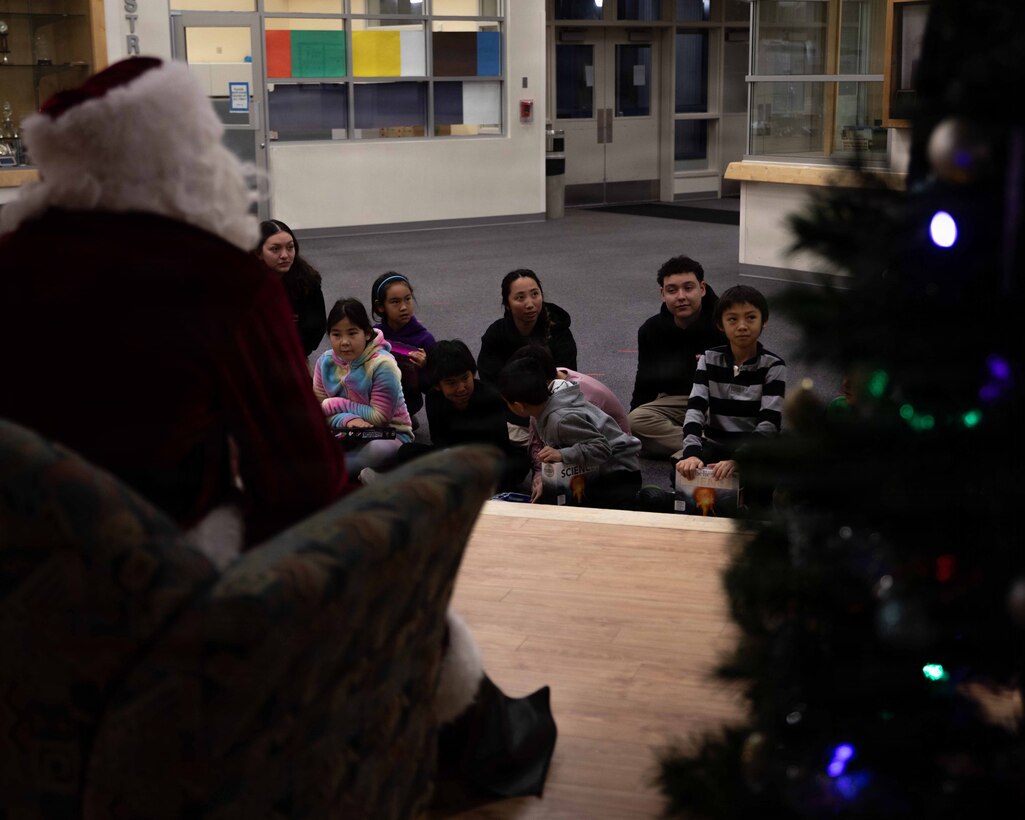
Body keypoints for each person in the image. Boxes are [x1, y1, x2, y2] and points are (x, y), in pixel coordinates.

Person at [0, 57, 348, 548]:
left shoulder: (12, 259)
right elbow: (302, 474)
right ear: (188, 159)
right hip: (160, 564)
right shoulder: (223, 277)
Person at [367, 340, 531, 491]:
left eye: (465, 378)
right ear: (438, 385)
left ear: (473, 374)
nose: (461, 388)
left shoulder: (491, 397)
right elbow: (439, 441)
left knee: (520, 462)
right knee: (407, 452)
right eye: (451, 383)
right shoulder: (434, 399)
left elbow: (498, 445)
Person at [675, 285, 786, 485]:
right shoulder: (708, 359)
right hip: (716, 444)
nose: (742, 326)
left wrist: (740, 460)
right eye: (732, 319)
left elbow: (769, 422)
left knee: (758, 483)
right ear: (721, 324)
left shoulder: (773, 366)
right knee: (683, 474)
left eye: (751, 317)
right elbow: (695, 409)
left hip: (754, 449)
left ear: (764, 321)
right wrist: (691, 453)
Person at [497, 356, 643, 509]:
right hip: (597, 467)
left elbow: (602, 448)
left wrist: (563, 455)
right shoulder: (544, 407)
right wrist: (545, 478)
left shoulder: (560, 420)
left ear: (519, 406)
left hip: (619, 473)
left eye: (507, 403)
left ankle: (647, 501)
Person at [629, 256, 726, 458]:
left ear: (702, 288)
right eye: (672, 290)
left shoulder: (724, 323)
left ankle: (690, 447)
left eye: (688, 288)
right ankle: (707, 447)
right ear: (663, 294)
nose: (681, 296)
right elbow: (645, 380)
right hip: (678, 402)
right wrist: (630, 431)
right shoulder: (651, 330)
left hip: (718, 401)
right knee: (635, 421)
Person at [313, 298, 414, 476]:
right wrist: (347, 420)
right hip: (343, 431)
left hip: (389, 432)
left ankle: (332, 474)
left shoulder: (382, 364)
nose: (344, 342)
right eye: (336, 335)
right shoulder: (324, 362)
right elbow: (317, 412)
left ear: (366, 333)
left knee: (376, 450)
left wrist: (333, 404)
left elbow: (379, 417)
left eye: (352, 333)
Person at [478, 269, 578, 445]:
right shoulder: (496, 334)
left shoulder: (558, 331)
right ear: (507, 304)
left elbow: (566, 379)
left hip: (554, 408)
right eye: (520, 298)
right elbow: (490, 383)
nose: (530, 304)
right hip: (512, 409)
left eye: (535, 294)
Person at [254, 219, 327, 358]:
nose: (285, 255)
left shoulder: (307, 281)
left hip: (294, 356)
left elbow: (316, 327)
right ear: (258, 253)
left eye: (290, 247)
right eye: (275, 249)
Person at [370, 271, 436, 421]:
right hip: (376, 398)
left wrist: (426, 365)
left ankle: (404, 419)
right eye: (395, 302)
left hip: (409, 400)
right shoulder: (374, 335)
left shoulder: (424, 339)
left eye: (407, 299)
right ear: (380, 306)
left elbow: (435, 384)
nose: (404, 307)